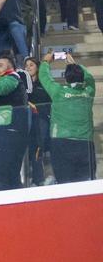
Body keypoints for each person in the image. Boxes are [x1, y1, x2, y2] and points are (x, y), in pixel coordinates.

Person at [38, 52, 96, 183]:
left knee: (65, 185)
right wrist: (76, 65)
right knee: (87, 187)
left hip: (62, 144)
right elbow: (90, 78)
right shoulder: (89, 92)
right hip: (85, 144)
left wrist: (45, 62)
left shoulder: (59, 92)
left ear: (66, 79)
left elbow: (44, 77)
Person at [0, 55, 29, 191]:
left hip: (10, 133)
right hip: (8, 132)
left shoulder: (12, 78)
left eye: (0, 65)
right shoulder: (6, 79)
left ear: (10, 67)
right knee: (10, 175)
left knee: (0, 174)